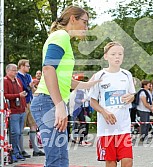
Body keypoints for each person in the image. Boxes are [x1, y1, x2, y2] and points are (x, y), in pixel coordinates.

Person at [30, 6, 99, 167]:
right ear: (73, 19)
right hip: (48, 102)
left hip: (50, 102)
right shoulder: (61, 36)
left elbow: (64, 79)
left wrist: (90, 84)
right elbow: (48, 69)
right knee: (57, 160)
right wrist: (60, 105)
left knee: (60, 159)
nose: (86, 28)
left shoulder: (61, 38)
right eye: (85, 22)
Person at [89, 42, 135, 167]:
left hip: (123, 127)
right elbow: (92, 101)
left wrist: (131, 97)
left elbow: (132, 95)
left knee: (128, 161)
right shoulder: (99, 76)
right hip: (106, 129)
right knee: (111, 162)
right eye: (113, 54)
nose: (117, 57)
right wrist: (104, 112)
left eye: (120, 54)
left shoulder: (127, 75)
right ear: (106, 56)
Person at [17, 59, 45, 157]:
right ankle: (21, 149)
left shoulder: (28, 76)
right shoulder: (17, 76)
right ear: (22, 66)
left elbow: (31, 89)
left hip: (30, 102)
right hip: (22, 103)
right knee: (21, 127)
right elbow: (22, 89)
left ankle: (36, 149)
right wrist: (30, 86)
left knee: (33, 125)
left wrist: (33, 87)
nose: (29, 67)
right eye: (27, 66)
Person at [4, 64, 27, 162]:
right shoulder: (5, 81)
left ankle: (17, 152)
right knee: (15, 132)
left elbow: (22, 92)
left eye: (16, 70)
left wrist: (24, 105)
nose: (16, 72)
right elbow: (4, 95)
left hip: (21, 109)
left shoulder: (18, 80)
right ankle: (13, 152)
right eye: (13, 70)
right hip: (13, 111)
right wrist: (18, 95)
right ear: (8, 71)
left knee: (19, 133)